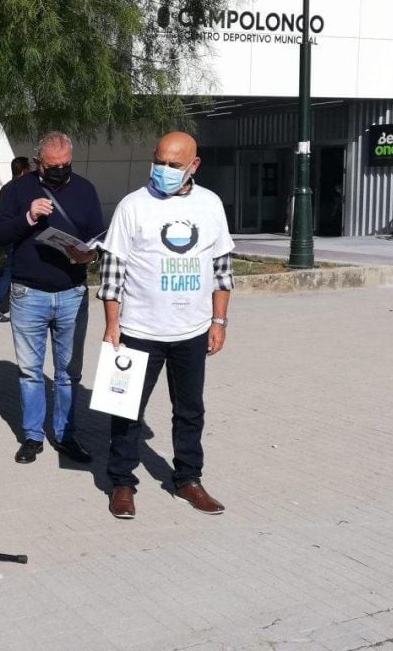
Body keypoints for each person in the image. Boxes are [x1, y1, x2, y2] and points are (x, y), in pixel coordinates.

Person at [97, 131, 234, 520]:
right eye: (158, 161)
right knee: (125, 410)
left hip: (191, 330)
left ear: (194, 166)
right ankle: (121, 482)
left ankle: (188, 479)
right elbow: (112, 270)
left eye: (174, 165)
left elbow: (222, 268)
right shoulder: (132, 206)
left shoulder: (210, 205)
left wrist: (219, 321)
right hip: (139, 329)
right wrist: (112, 325)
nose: (163, 170)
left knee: (190, 410)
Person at [0, 132, 104, 465]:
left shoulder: (85, 189)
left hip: (72, 292)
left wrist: (90, 257)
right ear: (39, 161)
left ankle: (67, 435)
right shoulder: (17, 191)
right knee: (30, 371)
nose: (60, 170)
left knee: (69, 374)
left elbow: (98, 238)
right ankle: (32, 436)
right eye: (53, 166)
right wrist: (27, 217)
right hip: (28, 293)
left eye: (66, 165)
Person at [0, 156, 34, 323]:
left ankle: (6, 306)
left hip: (8, 232)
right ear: (23, 169)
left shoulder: (6, 188)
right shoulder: (22, 188)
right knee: (10, 271)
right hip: (18, 233)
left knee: (12, 269)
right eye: (28, 168)